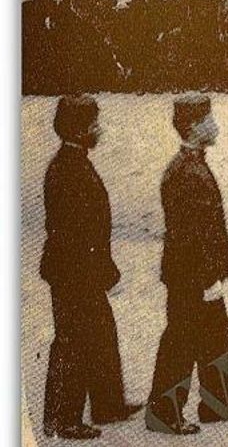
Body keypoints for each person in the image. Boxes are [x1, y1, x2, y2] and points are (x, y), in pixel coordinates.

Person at [146, 93, 228, 435]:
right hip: (191, 275)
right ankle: (164, 412)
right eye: (209, 120)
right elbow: (192, 234)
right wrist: (208, 278)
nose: (215, 125)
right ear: (193, 126)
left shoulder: (189, 165)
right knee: (182, 340)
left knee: (215, 334)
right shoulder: (187, 172)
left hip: (196, 272)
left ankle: (216, 403)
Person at [41, 95, 140, 441]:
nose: (99, 129)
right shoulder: (68, 170)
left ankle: (107, 405)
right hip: (72, 272)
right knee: (73, 342)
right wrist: (100, 271)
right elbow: (76, 233)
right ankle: (61, 418)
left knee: (101, 334)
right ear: (79, 129)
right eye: (94, 124)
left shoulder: (74, 162)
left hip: (82, 269)